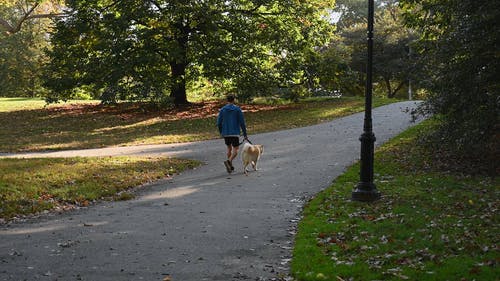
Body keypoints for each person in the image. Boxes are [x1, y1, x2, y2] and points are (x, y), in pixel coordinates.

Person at [216, 94, 247, 173]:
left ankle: (230, 166)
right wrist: (245, 134)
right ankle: (229, 161)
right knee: (236, 149)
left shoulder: (223, 110)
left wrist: (221, 132)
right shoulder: (237, 109)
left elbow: (219, 123)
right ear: (234, 100)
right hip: (235, 132)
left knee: (229, 148)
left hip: (226, 132)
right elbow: (242, 122)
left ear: (227, 100)